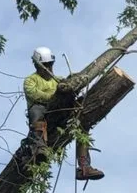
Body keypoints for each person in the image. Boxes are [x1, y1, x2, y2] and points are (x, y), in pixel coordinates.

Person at [24, 46, 104, 181]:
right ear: (38, 65)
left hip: (60, 113)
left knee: (81, 124)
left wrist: (72, 82)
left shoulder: (58, 80)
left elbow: (68, 88)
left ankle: (84, 166)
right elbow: (35, 95)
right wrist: (55, 94)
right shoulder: (30, 80)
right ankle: (39, 147)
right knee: (36, 112)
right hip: (43, 113)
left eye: (50, 65)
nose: (49, 68)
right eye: (46, 65)